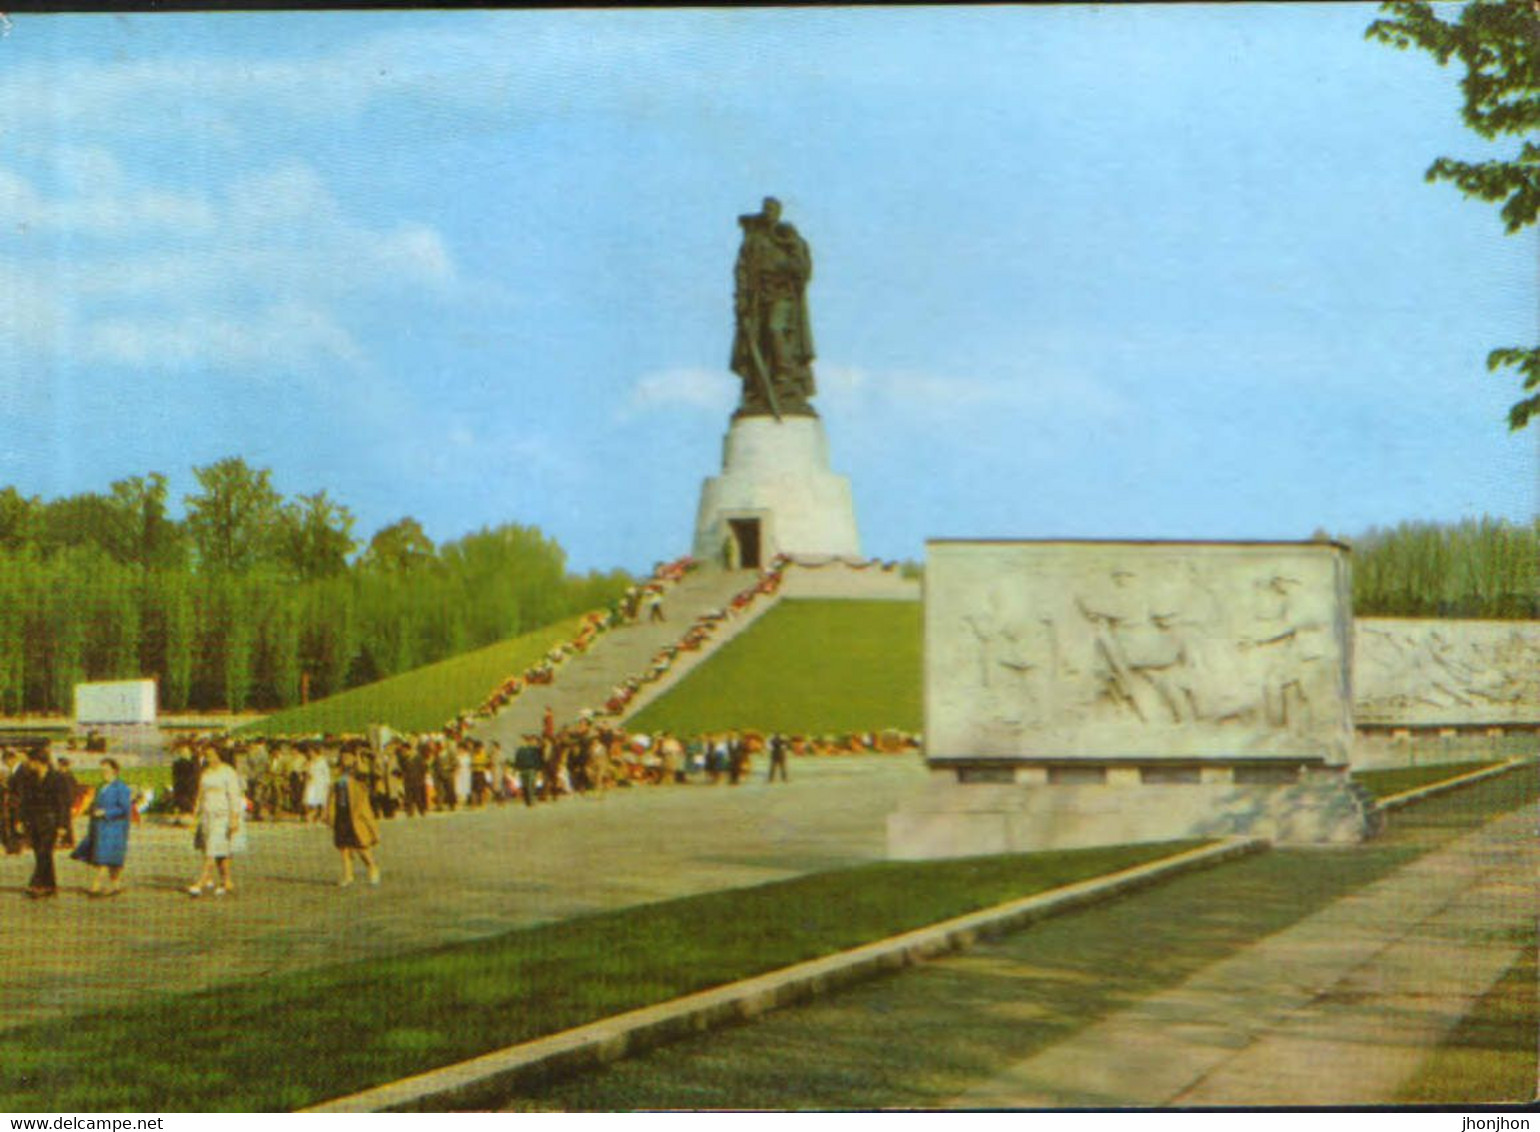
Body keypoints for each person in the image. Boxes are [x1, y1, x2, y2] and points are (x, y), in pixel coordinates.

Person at [730, 196, 818, 418]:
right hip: (758, 299)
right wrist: (742, 301)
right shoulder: (754, 241)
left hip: (783, 296)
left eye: (773, 209)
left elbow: (802, 269)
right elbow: (741, 270)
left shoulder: (788, 237)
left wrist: (791, 250)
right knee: (757, 341)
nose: (769, 213)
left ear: (778, 213)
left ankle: (785, 376)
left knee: (775, 329)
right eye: (766, 209)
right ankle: (759, 387)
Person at [188, 749, 245, 898]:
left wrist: (234, 818)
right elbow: (200, 794)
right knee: (219, 850)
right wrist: (195, 814)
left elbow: (234, 796)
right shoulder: (205, 773)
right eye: (206, 756)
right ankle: (227, 882)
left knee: (212, 850)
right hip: (207, 815)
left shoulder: (228, 772)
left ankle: (201, 881)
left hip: (223, 815)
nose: (208, 758)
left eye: (211, 755)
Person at [72, 758, 132, 896]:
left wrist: (106, 812)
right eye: (102, 770)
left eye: (107, 770)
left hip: (114, 827)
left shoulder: (121, 788)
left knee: (103, 859)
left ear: (115, 771)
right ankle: (116, 885)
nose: (104, 773)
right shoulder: (102, 787)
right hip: (100, 827)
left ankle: (95, 887)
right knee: (112, 859)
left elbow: (124, 809)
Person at [15, 747, 67, 898]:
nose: (29, 764)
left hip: (50, 820)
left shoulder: (57, 778)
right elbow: (25, 801)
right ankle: (50, 885)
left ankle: (37, 883)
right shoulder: (30, 778)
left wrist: (63, 825)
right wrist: (21, 819)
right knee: (41, 853)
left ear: (38, 762)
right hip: (34, 820)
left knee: (44, 851)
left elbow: (62, 803)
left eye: (31, 761)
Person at [324, 750, 380, 887]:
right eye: (343, 757)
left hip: (356, 814)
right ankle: (348, 875)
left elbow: (368, 772)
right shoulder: (337, 775)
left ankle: (372, 867)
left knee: (361, 845)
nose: (345, 760)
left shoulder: (359, 775)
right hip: (342, 812)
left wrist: (359, 757)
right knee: (343, 847)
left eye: (348, 757)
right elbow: (331, 796)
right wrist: (329, 813)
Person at [302, 746, 332, 824]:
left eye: (311, 752)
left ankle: (321, 816)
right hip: (312, 783)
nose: (310, 754)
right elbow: (308, 772)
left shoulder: (322, 761)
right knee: (310, 800)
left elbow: (326, 773)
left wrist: (328, 784)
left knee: (321, 800)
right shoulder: (310, 762)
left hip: (321, 783)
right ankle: (312, 815)